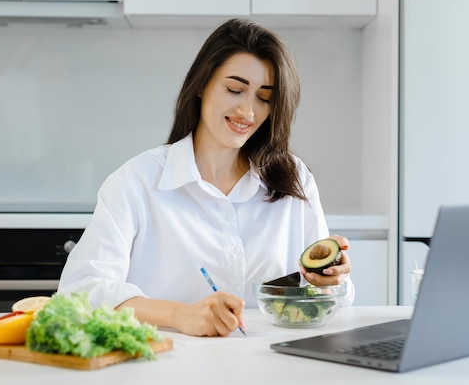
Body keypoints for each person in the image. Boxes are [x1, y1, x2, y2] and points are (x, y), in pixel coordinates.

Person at [58, 18, 354, 337]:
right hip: (166, 373)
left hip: (272, 370)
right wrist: (180, 314)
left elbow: (337, 297)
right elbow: (80, 292)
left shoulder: (293, 179)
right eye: (234, 89)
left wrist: (330, 281)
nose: (247, 111)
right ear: (202, 84)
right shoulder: (135, 183)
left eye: (264, 97)